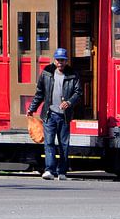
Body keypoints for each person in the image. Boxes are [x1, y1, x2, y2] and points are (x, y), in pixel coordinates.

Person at [27, 47, 83, 181]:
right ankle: (49, 170)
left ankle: (62, 172)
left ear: (66, 61)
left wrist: (69, 102)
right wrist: (32, 108)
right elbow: (40, 92)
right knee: (49, 143)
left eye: (63, 60)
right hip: (49, 114)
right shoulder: (46, 73)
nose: (60, 63)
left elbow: (78, 92)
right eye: (58, 60)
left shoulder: (73, 74)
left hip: (64, 116)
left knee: (64, 144)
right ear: (54, 60)